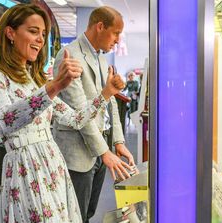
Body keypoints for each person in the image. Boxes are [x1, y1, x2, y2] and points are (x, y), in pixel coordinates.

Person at [0, 4, 125, 222]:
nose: (40, 39)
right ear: (10, 33)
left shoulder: (33, 80)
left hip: (53, 166)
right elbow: (5, 122)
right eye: (33, 31)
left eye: (43, 34)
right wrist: (54, 87)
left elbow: (74, 119)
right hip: (25, 169)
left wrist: (106, 94)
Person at [52, 6, 135, 222]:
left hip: (101, 143)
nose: (117, 40)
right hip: (78, 148)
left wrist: (117, 140)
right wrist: (105, 151)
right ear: (100, 26)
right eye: (116, 33)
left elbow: (110, 103)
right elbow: (81, 113)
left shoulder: (102, 58)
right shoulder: (69, 55)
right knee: (76, 215)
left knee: (88, 211)